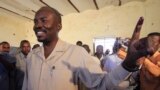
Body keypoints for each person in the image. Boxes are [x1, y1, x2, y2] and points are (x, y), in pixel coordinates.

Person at [22, 6, 157, 90]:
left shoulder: (76, 53)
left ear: (59, 26)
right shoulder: (32, 57)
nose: (37, 25)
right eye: (35, 21)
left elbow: (102, 85)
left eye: (43, 20)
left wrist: (127, 64)